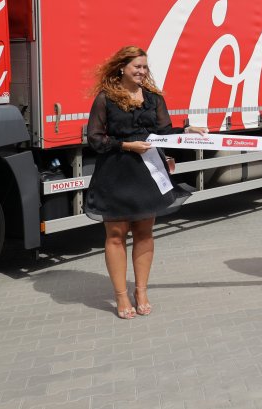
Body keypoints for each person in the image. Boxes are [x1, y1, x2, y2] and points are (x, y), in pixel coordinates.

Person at [85, 46, 207, 319]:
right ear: (122, 68)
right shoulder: (105, 98)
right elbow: (94, 138)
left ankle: (141, 291)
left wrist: (185, 130)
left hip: (147, 173)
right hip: (116, 172)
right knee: (115, 236)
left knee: (144, 233)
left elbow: (163, 133)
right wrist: (126, 144)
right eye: (136, 67)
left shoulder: (153, 98)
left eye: (144, 67)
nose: (141, 71)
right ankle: (120, 296)